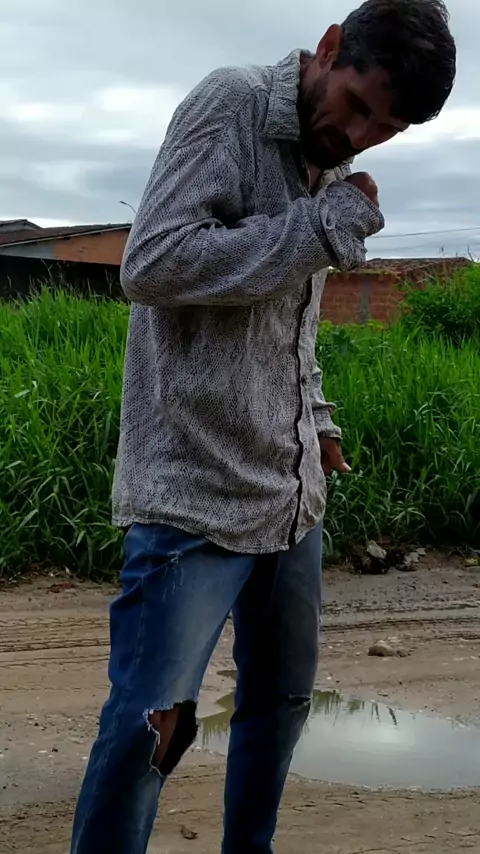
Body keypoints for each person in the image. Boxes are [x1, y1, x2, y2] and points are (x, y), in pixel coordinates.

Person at [71, 2, 456, 852]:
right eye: (357, 106)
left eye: (385, 130)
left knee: (278, 705)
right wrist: (318, 228)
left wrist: (315, 417)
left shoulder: (331, 157)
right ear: (328, 47)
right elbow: (153, 264)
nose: (359, 136)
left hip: (290, 498)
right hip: (193, 496)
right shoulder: (232, 104)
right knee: (150, 731)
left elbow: (288, 325)